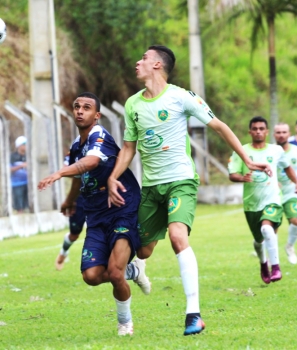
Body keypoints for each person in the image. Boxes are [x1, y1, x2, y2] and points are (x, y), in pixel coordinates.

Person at [107, 45, 273, 336]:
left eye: (144, 58)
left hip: (181, 181)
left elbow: (219, 126)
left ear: (157, 65)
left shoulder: (181, 96)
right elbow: (129, 148)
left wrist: (247, 158)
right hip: (151, 187)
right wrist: (113, 177)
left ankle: (193, 314)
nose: (138, 62)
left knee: (177, 237)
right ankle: (138, 269)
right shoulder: (133, 104)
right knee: (143, 249)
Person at [38, 92, 150, 336]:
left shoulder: (99, 135)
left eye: (86, 108)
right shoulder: (76, 146)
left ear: (96, 115)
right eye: (77, 107)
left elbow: (91, 163)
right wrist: (69, 201)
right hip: (96, 215)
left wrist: (58, 173)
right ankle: (134, 270)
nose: (79, 111)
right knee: (91, 275)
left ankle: (125, 324)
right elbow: (80, 177)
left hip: (121, 207)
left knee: (115, 272)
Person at [228, 116, 297, 284]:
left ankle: (276, 267)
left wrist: (296, 182)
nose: (258, 131)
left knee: (267, 230)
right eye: (255, 129)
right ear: (250, 132)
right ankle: (263, 263)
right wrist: (242, 178)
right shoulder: (241, 151)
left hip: (273, 200)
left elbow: (287, 167)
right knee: (258, 240)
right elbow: (232, 174)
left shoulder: (276, 150)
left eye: (261, 128)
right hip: (251, 204)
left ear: (267, 132)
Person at [274, 123, 297, 264]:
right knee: (271, 228)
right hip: (273, 194)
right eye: (278, 132)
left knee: (296, 221)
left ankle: (289, 247)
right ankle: (273, 258)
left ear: (289, 134)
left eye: (284, 132)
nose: (281, 134)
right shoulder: (270, 150)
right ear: (274, 134)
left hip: (291, 192)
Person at [55, 152, 86, 271]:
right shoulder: (75, 151)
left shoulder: (101, 144)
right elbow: (65, 169)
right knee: (74, 234)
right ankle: (63, 252)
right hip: (80, 197)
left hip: (99, 194)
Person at [10, 136, 29, 213]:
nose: (26, 145)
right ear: (19, 145)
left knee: (27, 205)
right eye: (24, 144)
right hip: (17, 184)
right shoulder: (13, 156)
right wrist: (21, 166)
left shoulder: (28, 156)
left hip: (28, 184)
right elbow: (9, 169)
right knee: (19, 207)